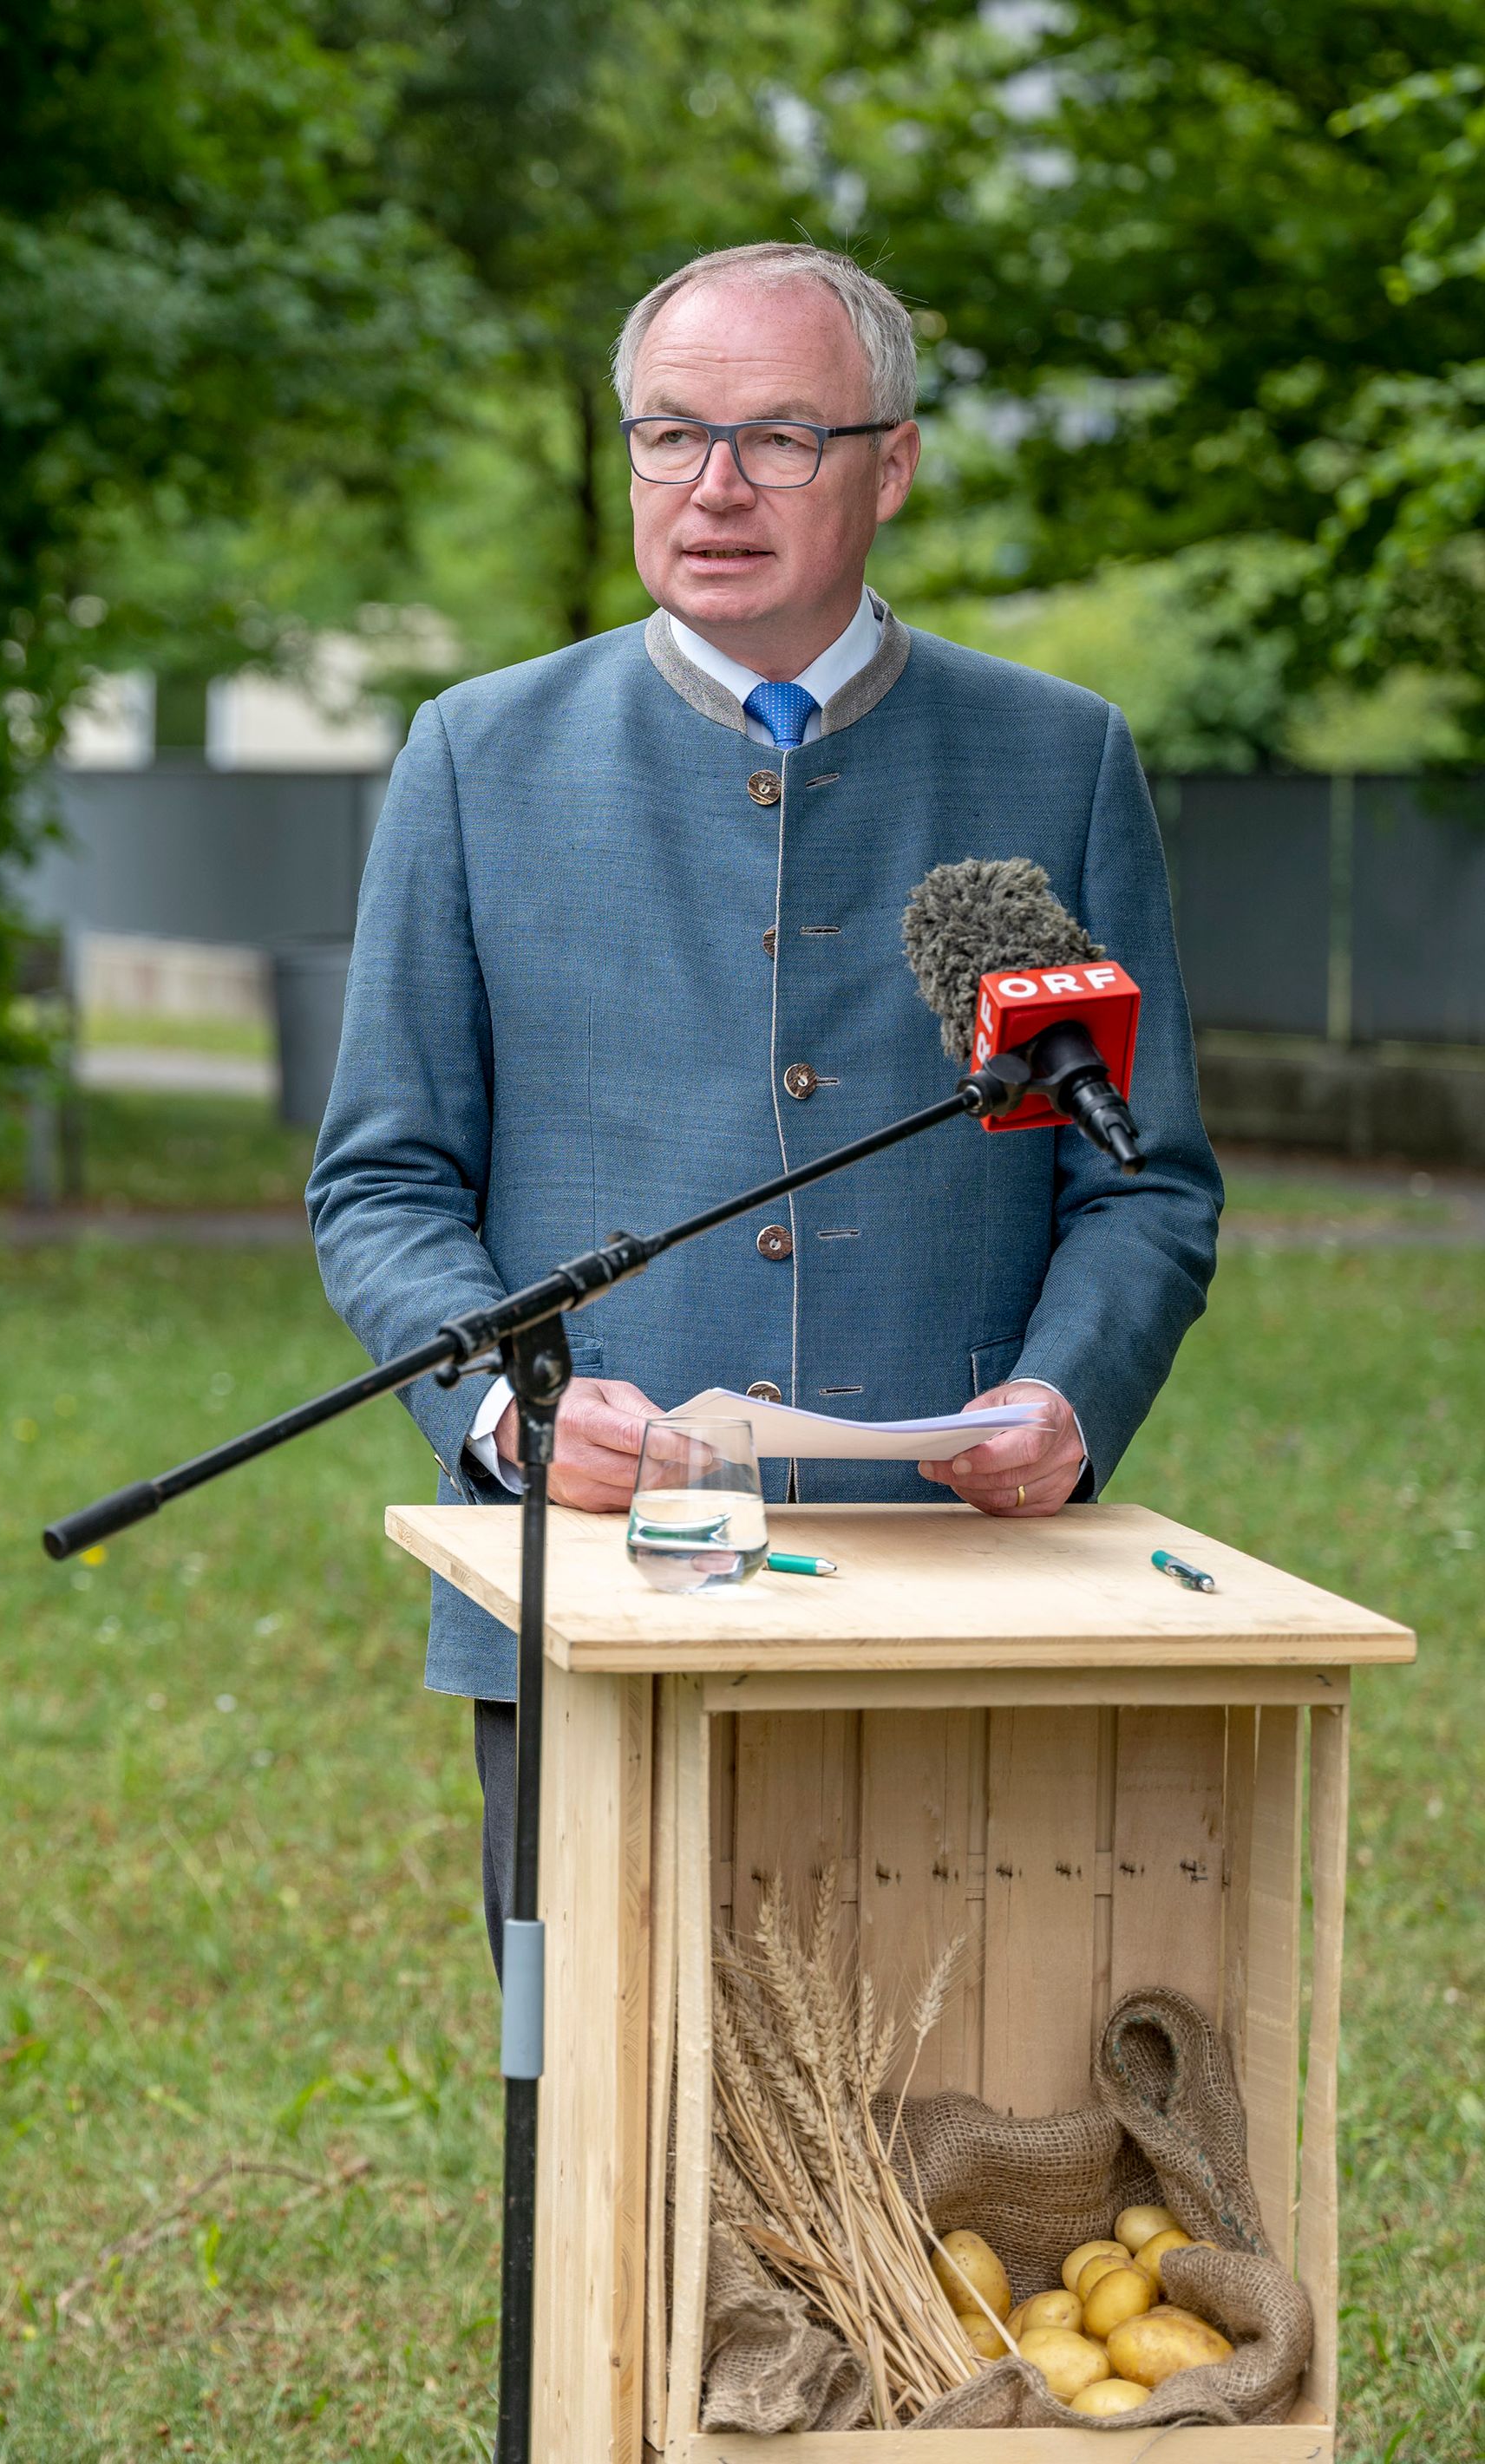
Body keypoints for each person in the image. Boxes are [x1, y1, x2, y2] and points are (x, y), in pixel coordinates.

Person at [306, 242, 1220, 1959]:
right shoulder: (475, 758)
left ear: (890, 462)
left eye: (779, 439)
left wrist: (1066, 1398)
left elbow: (1133, 1181)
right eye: (669, 435)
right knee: (605, 2118)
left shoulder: (1050, 760)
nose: (711, 487)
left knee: (951, 2103)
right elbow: (382, 1181)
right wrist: (512, 1410)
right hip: (593, 1581)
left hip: (961, 1587)